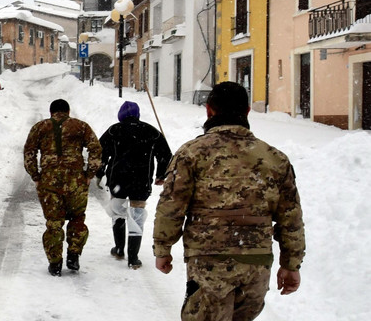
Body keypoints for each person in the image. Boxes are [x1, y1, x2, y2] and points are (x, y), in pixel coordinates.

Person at [153, 82, 305, 320]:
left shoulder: (191, 153)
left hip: (208, 261)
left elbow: (171, 206)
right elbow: (291, 218)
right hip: (256, 263)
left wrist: (163, 248)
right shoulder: (275, 158)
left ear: (208, 110)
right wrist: (291, 264)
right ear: (246, 112)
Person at [24, 98, 102, 277]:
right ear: (68, 111)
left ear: (51, 112)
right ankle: (73, 254)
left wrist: (36, 176)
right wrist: (89, 174)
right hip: (76, 182)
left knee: (54, 223)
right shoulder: (81, 127)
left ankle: (55, 262)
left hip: (49, 182)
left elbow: (29, 152)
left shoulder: (40, 127)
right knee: (77, 219)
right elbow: (95, 149)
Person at [96, 100, 172, 269]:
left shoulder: (114, 130)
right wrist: (161, 174)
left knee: (118, 213)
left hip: (118, 180)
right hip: (141, 181)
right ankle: (133, 258)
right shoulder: (152, 132)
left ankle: (118, 249)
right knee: (137, 215)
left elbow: (101, 153)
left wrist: (99, 173)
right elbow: (166, 155)